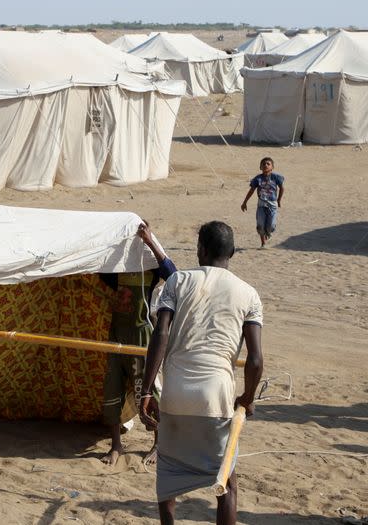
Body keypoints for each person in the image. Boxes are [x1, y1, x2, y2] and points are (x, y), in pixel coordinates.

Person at [139, 221, 264, 525]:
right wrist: (247, 398)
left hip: (175, 393)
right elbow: (256, 359)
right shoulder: (248, 293)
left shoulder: (178, 281)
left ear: (201, 250)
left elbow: (161, 334)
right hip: (217, 396)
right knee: (226, 485)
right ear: (231, 252)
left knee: (168, 479)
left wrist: (145, 390)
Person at [99, 221, 177, 467]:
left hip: (142, 336)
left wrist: (150, 241)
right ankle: (116, 445)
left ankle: (157, 443)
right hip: (117, 333)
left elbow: (172, 274)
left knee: (150, 390)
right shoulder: (117, 269)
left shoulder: (151, 268)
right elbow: (100, 272)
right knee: (112, 388)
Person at [241, 157, 285, 248]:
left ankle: (268, 232)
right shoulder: (258, 179)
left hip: (272, 205)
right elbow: (251, 190)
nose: (266, 165)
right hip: (261, 204)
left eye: (268, 164)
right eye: (263, 164)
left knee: (271, 226)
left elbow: (282, 188)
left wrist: (279, 200)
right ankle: (263, 243)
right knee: (260, 224)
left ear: (272, 167)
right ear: (260, 167)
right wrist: (245, 202)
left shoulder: (276, 177)